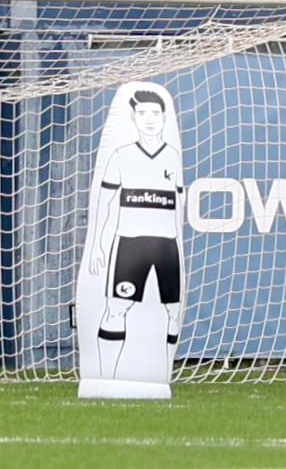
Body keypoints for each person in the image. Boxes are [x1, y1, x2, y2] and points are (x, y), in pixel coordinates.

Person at [87, 88, 185, 376]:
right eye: (143, 113)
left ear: (164, 117)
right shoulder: (121, 156)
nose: (150, 119)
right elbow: (104, 204)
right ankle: (106, 375)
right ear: (133, 117)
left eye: (155, 113)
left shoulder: (172, 158)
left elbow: (180, 204)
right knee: (116, 309)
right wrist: (97, 245)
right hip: (130, 245)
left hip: (167, 246)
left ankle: (162, 374)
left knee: (172, 312)